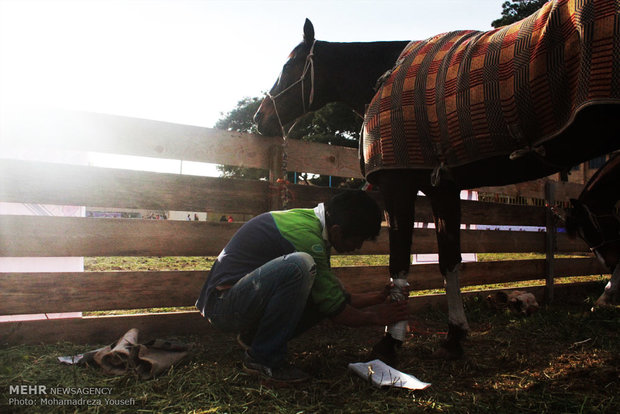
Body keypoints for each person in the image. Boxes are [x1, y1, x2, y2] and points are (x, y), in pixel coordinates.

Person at [196, 190, 409, 384]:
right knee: (301, 265)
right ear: (336, 230)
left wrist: (378, 297)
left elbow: (332, 297)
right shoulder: (306, 235)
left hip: (240, 300)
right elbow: (338, 313)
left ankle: (254, 339)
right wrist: (376, 318)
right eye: (357, 240)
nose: (358, 247)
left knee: (317, 287)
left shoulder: (315, 226)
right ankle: (264, 359)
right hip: (223, 306)